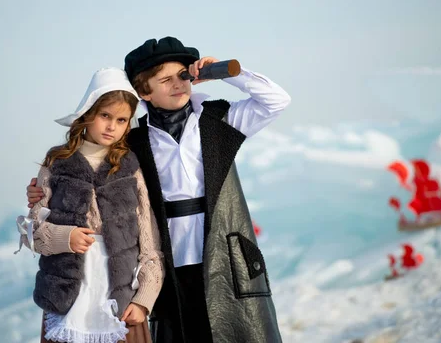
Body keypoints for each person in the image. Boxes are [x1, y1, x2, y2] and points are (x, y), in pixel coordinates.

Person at [27, 37, 291, 342]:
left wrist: (228, 73)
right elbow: (93, 172)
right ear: (144, 92)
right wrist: (41, 189)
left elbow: (277, 100)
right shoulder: (133, 141)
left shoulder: (219, 120)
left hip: (223, 256)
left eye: (183, 76)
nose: (178, 85)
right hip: (168, 261)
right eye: (165, 80)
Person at [16, 67, 165, 343]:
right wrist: (65, 237)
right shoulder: (57, 163)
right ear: (88, 114)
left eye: (121, 120)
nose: (111, 126)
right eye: (105, 116)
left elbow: (150, 242)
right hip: (68, 298)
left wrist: (144, 299)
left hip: (120, 300)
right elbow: (31, 233)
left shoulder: (130, 167)